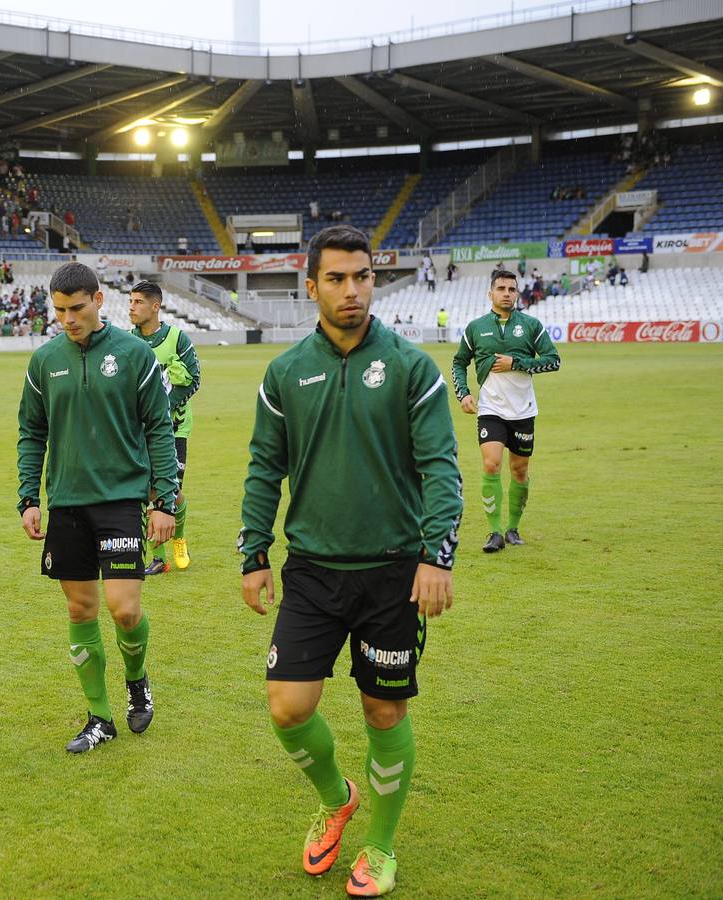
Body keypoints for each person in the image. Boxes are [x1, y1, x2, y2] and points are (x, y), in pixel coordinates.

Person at [238, 225, 462, 898]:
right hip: (312, 568)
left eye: (361, 276)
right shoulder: (284, 372)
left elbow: (441, 468)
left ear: (374, 280)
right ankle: (337, 797)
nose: (351, 290)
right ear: (312, 288)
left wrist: (436, 555)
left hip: (393, 572)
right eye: (335, 279)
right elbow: (264, 468)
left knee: (383, 713)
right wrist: (254, 551)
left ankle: (382, 848)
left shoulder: (411, 367)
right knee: (287, 707)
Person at [17, 262, 177, 753]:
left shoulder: (133, 355)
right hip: (66, 504)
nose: (68, 319)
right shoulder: (44, 361)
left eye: (77, 308)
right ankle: (99, 717)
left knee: (125, 610)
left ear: (99, 300)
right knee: (80, 608)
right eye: (60, 310)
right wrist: (29, 497)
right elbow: (32, 431)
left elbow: (158, 427)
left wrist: (163, 499)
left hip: (121, 500)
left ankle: (137, 680)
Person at [451, 268, 562, 553]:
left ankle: (513, 528)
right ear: (491, 293)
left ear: (517, 293)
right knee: (491, 464)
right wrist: (463, 393)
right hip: (491, 410)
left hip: (523, 411)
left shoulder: (531, 325)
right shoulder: (475, 327)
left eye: (512, 289)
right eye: (501, 289)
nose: (507, 294)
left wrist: (517, 363)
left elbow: (553, 361)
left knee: (520, 470)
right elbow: (458, 363)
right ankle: (494, 532)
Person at [127, 280, 200, 575]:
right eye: (130, 302)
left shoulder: (177, 338)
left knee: (172, 491)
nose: (131, 307)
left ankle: (178, 534)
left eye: (138, 302)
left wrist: (162, 410)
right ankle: (158, 558)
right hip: (139, 429)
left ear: (154, 306)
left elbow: (194, 379)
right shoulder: (127, 342)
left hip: (174, 427)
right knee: (148, 489)